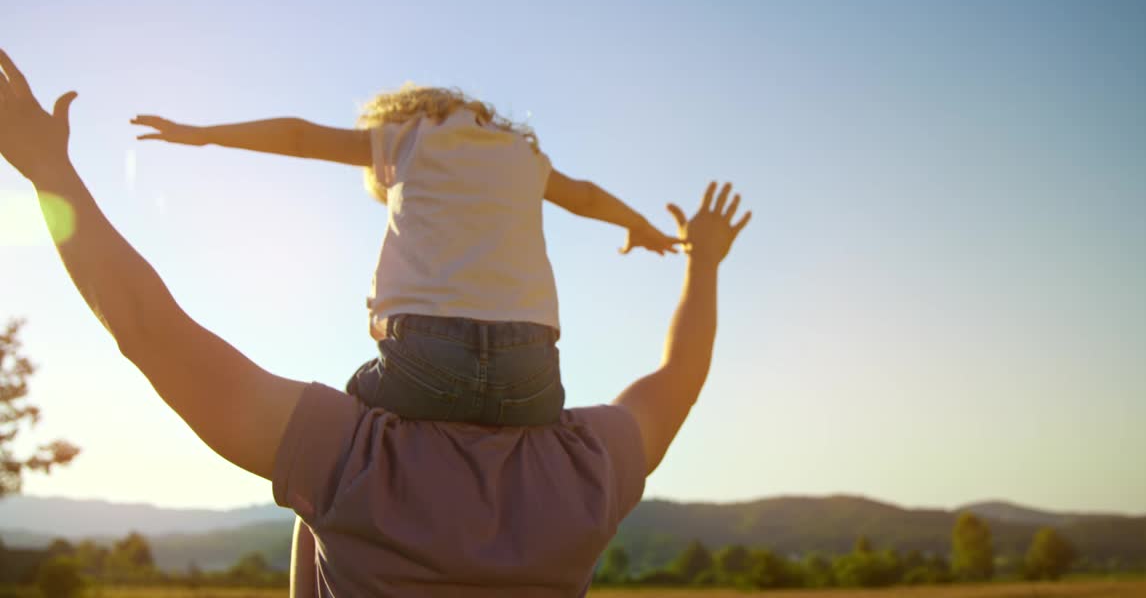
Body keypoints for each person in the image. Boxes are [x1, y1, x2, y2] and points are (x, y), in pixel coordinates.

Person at [0, 49, 751, 597]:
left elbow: (148, 325)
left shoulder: (349, 457)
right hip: (533, 377)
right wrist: (689, 253)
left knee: (337, 446)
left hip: (418, 369)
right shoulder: (589, 474)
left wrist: (65, 167)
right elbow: (678, 371)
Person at [130, 87, 678, 427]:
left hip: (423, 359)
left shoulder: (406, 136)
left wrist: (201, 135)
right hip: (531, 376)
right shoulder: (524, 154)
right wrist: (640, 225)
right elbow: (583, 195)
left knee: (338, 450)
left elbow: (299, 137)